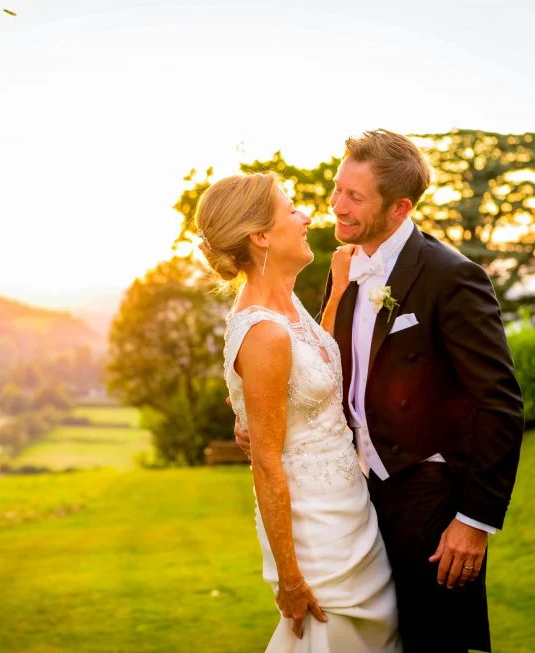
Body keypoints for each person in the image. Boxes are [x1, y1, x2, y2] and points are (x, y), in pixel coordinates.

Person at [235, 130, 524, 652]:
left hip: (430, 503)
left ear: (400, 208)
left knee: (431, 643)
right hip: (354, 503)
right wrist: (257, 418)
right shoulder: (343, 266)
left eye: (355, 196)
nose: (336, 206)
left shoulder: (452, 277)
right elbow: (318, 365)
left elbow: (499, 403)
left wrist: (474, 521)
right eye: (338, 188)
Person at [196, 172, 401, 652]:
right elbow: (266, 462)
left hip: (350, 508)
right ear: (261, 236)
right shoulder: (263, 332)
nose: (307, 216)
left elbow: (313, 359)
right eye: (291, 210)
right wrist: (289, 577)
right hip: (315, 531)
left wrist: (338, 292)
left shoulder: (285, 305)